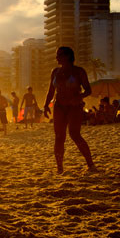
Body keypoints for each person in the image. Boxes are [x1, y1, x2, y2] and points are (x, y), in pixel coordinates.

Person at [44, 46, 97, 174]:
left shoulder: (79, 71)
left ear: (68, 56)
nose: (57, 57)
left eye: (59, 55)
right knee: (59, 137)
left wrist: (79, 97)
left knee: (75, 134)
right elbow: (51, 91)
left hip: (74, 107)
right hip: (59, 106)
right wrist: (45, 106)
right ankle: (60, 168)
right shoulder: (55, 72)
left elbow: (88, 90)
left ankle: (91, 164)